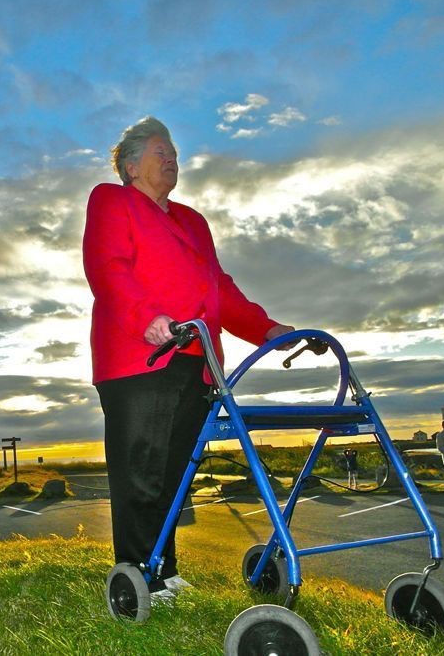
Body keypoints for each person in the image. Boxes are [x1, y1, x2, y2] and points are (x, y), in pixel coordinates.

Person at [82, 116, 294, 602]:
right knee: (143, 469)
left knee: (175, 474)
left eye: (174, 150)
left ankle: (164, 568)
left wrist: (266, 328)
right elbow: (107, 268)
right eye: (161, 150)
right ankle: (137, 571)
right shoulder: (112, 201)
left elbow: (220, 289)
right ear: (132, 166)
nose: (172, 157)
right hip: (142, 355)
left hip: (200, 361)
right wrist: (147, 318)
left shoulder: (193, 221)